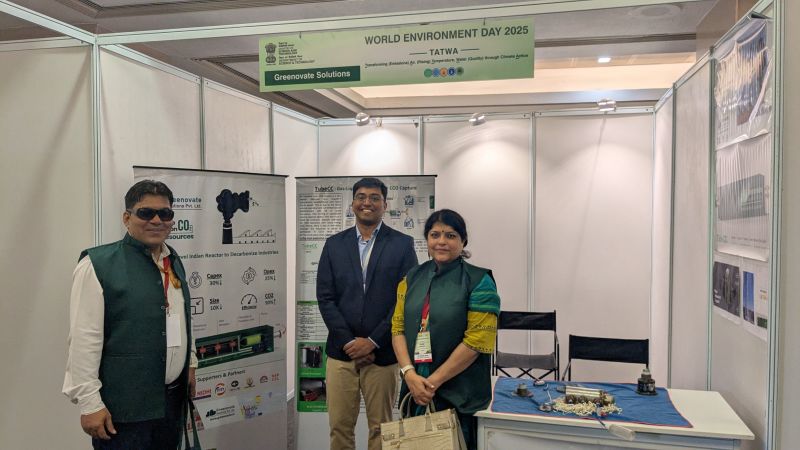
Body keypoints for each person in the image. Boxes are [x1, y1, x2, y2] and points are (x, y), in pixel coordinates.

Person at [62, 180, 197, 450]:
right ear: (127, 218)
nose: (157, 220)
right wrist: (89, 403)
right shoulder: (97, 265)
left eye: (165, 213)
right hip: (123, 410)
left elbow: (182, 319)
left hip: (171, 402)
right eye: (146, 213)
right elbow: (84, 339)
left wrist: (190, 363)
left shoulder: (173, 260)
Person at [317, 177, 418, 450]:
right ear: (352, 204)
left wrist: (372, 341)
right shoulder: (333, 244)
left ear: (385, 204)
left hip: (382, 355)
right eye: (361, 197)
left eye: (375, 198)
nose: (367, 203)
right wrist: (350, 342)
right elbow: (325, 298)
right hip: (342, 353)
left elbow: (405, 300)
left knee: (382, 430)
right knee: (339, 428)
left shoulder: (402, 244)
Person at [391, 209, 500, 450]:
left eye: (450, 235)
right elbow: (397, 328)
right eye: (435, 234)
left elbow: (476, 342)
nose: (442, 241)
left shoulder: (479, 281)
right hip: (415, 386)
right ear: (427, 240)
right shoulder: (411, 278)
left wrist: (431, 383)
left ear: (463, 241)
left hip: (457, 393)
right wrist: (409, 374)